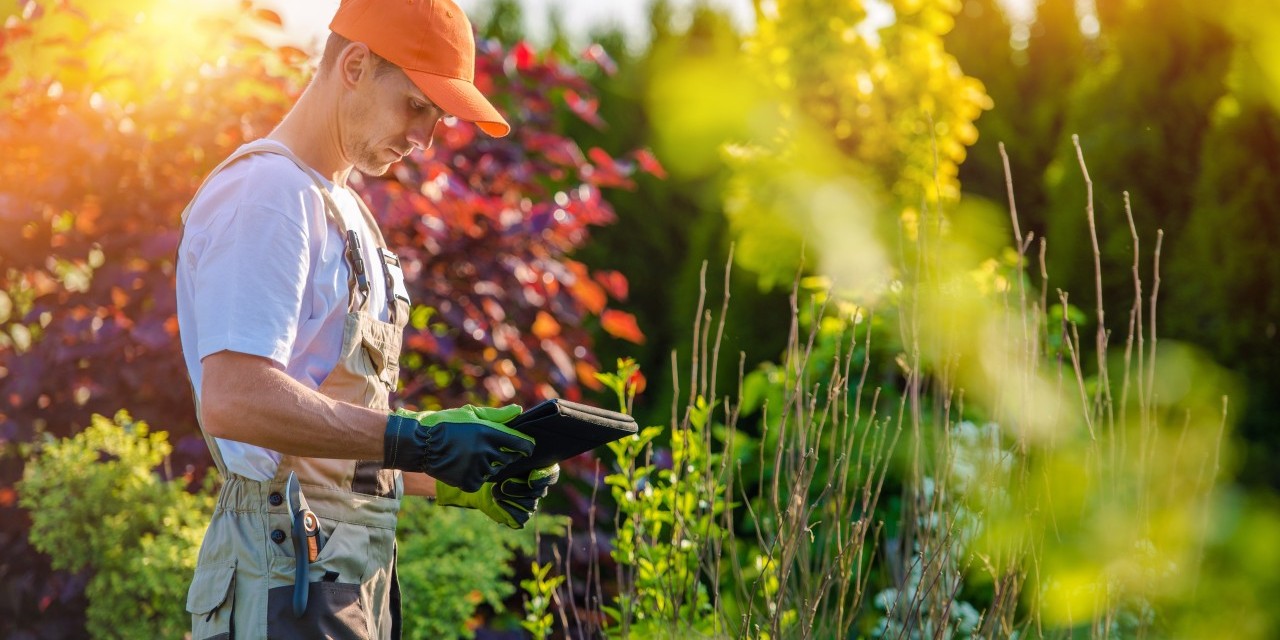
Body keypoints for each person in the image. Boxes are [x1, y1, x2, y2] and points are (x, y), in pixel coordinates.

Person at [175, 1, 558, 637]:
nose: (423, 139)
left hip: (349, 577)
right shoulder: (269, 196)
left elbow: (336, 450)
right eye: (415, 106)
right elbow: (235, 398)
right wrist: (421, 439)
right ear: (355, 64)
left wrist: (455, 474)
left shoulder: (347, 212)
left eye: (435, 118)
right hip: (284, 581)